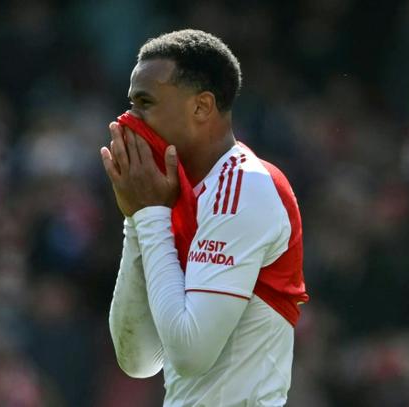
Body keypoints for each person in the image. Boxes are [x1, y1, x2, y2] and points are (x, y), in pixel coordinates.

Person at [100, 29, 309, 406]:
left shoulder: (243, 186)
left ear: (201, 107)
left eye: (145, 102)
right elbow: (139, 360)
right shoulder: (174, 193)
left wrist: (149, 214)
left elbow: (190, 355)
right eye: (131, 103)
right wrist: (137, 219)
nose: (129, 118)